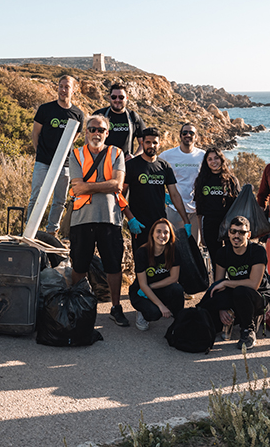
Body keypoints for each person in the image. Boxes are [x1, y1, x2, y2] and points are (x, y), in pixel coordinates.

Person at [67, 115, 129, 326]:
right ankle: (75, 304)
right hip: (82, 218)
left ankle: (115, 307)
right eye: (92, 129)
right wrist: (106, 184)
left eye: (101, 130)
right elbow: (77, 188)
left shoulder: (116, 153)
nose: (96, 133)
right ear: (86, 132)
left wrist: (90, 185)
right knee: (79, 265)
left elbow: (118, 185)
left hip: (110, 218)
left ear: (107, 133)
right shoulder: (76, 154)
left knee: (113, 266)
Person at [199, 216, 270, 350]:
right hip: (237, 294)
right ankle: (238, 316)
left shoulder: (257, 251)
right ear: (228, 233)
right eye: (233, 231)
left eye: (241, 232)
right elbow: (218, 283)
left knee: (242, 290)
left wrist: (227, 284)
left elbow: (253, 284)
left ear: (249, 234)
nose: (236, 235)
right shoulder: (223, 252)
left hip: (260, 296)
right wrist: (221, 307)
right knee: (209, 314)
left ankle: (248, 331)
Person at [27, 75, 84, 235]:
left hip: (64, 164)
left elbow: (74, 138)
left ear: (73, 90)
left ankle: (52, 231)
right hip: (43, 162)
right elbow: (35, 134)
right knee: (36, 196)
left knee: (59, 200)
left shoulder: (78, 114)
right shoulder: (45, 109)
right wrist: (41, 153)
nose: (63, 90)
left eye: (67, 87)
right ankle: (30, 230)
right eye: (61, 86)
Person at [123, 127, 189, 252]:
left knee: (161, 262)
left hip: (160, 224)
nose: (151, 145)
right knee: (141, 261)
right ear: (142, 143)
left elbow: (174, 195)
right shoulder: (131, 165)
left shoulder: (164, 166)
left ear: (159, 144)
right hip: (139, 224)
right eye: (148, 142)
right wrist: (131, 218)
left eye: (155, 143)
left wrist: (186, 221)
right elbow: (121, 195)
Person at [130, 218, 185, 332]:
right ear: (152, 234)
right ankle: (142, 312)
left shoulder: (174, 250)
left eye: (166, 232)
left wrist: (153, 286)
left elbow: (174, 278)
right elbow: (143, 285)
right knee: (154, 313)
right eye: (158, 231)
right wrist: (160, 305)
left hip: (158, 287)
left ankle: (180, 318)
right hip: (141, 291)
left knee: (177, 289)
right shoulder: (142, 252)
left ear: (170, 235)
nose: (162, 235)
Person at [194, 148, 240, 269]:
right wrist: (201, 233)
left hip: (230, 225)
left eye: (216, 158)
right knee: (216, 260)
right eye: (210, 159)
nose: (213, 161)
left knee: (233, 259)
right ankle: (218, 286)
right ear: (206, 162)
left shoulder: (231, 181)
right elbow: (199, 210)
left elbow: (238, 206)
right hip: (210, 225)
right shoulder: (201, 181)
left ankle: (233, 285)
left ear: (221, 159)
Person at [159, 122, 205, 242]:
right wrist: (163, 195)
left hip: (195, 210)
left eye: (191, 133)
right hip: (174, 209)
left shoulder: (203, 156)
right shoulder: (167, 155)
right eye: (184, 133)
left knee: (194, 247)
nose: (187, 135)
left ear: (196, 137)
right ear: (180, 136)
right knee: (173, 245)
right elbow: (152, 169)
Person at [92, 83, 145, 160]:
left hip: (125, 165)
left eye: (121, 97)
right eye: (114, 97)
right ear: (110, 98)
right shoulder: (99, 115)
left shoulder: (134, 117)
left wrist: (134, 156)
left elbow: (143, 143)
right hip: (101, 162)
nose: (117, 100)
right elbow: (89, 137)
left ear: (126, 98)